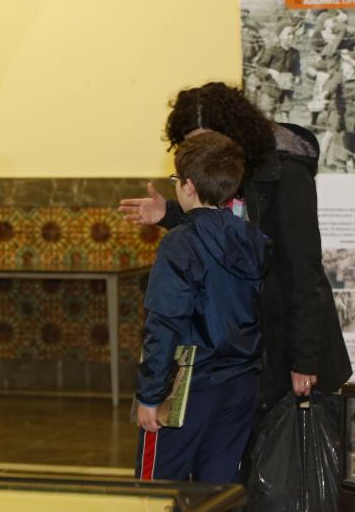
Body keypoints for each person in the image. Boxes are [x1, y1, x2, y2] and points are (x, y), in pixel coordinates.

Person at [120, 82, 351, 416]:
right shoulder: (227, 177)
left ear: (235, 133)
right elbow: (223, 230)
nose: (203, 152)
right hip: (250, 350)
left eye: (209, 138)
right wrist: (169, 214)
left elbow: (305, 274)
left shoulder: (286, 176)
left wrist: (304, 359)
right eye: (191, 145)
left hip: (288, 344)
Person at [135, 132, 270, 482]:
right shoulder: (254, 238)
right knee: (217, 494)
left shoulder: (180, 244)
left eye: (176, 180)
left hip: (189, 387)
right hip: (242, 384)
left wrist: (150, 396)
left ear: (189, 187)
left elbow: (164, 322)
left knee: (157, 491)